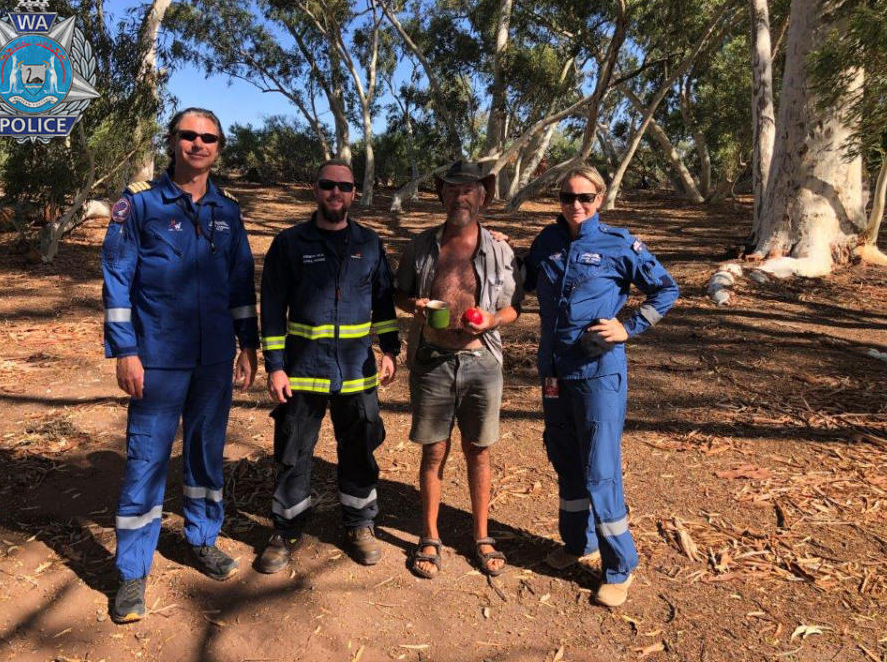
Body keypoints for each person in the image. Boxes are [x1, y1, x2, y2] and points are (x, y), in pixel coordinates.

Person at [101, 108, 259, 623]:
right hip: (157, 358)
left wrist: (248, 344)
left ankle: (203, 538)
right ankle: (131, 573)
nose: (198, 144)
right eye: (188, 135)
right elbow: (117, 281)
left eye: (208, 137)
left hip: (213, 359)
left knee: (206, 456)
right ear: (172, 141)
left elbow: (240, 285)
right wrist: (125, 349)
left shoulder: (228, 214)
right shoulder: (140, 207)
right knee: (146, 461)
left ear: (218, 147)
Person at [524, 162, 678, 607]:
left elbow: (666, 290)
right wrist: (500, 247)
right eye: (568, 197)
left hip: (598, 374)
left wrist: (630, 327)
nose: (576, 205)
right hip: (554, 372)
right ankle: (578, 544)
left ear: (600, 200)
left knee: (599, 469)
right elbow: (528, 277)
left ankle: (619, 567)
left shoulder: (618, 243)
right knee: (564, 457)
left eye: (585, 198)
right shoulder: (548, 241)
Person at [257, 159, 400, 573]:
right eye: (327, 185)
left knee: (359, 447)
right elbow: (271, 308)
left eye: (344, 186)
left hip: (356, 371)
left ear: (355, 193)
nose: (336, 193)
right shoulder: (289, 243)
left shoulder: (370, 244)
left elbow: (384, 303)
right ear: (314, 189)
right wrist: (275, 366)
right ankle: (285, 530)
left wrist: (390, 350)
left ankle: (359, 523)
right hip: (302, 370)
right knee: (293, 451)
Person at [395, 160, 522, 579]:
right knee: (433, 452)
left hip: (481, 361)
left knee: (478, 452)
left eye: (469, 191)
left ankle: (481, 536)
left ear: (482, 197)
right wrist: (412, 305)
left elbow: (513, 308)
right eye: (452, 190)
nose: (460, 198)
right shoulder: (420, 246)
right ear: (442, 197)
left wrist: (492, 320)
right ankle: (429, 536)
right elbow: (399, 294)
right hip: (432, 361)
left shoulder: (501, 249)